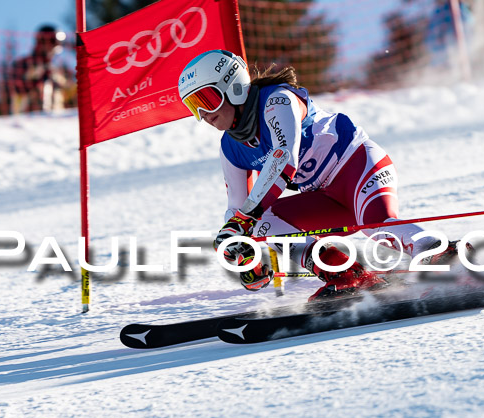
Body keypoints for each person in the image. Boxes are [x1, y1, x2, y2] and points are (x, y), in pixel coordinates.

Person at [178, 50, 456, 301]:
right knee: (263, 221)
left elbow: (284, 157)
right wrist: (244, 252)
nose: (204, 115)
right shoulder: (230, 148)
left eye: (207, 100)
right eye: (194, 106)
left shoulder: (277, 101)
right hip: (323, 196)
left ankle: (439, 254)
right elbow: (237, 209)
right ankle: (344, 275)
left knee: (374, 225)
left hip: (358, 166)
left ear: (234, 86)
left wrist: (242, 220)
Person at [9, 25, 72, 114]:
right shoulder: (23, 63)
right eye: (53, 42)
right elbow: (17, 88)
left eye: (57, 43)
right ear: (41, 41)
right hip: (25, 120)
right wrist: (40, 78)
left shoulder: (56, 70)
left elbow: (68, 93)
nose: (55, 47)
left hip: (55, 121)